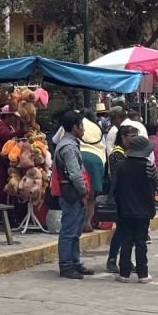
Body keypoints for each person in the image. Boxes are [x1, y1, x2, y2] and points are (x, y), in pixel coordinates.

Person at [50, 110, 92, 280]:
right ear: (74, 127)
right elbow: (75, 173)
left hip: (73, 193)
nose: (83, 129)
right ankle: (67, 265)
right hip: (71, 193)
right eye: (81, 126)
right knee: (69, 231)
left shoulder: (69, 144)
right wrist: (83, 192)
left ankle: (74, 262)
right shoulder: (68, 147)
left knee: (75, 231)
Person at [111, 133, 158, 282]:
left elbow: (115, 186)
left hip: (125, 209)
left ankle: (124, 273)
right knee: (141, 241)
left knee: (126, 240)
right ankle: (143, 273)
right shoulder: (149, 165)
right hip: (144, 209)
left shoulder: (121, 165)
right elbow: (156, 184)